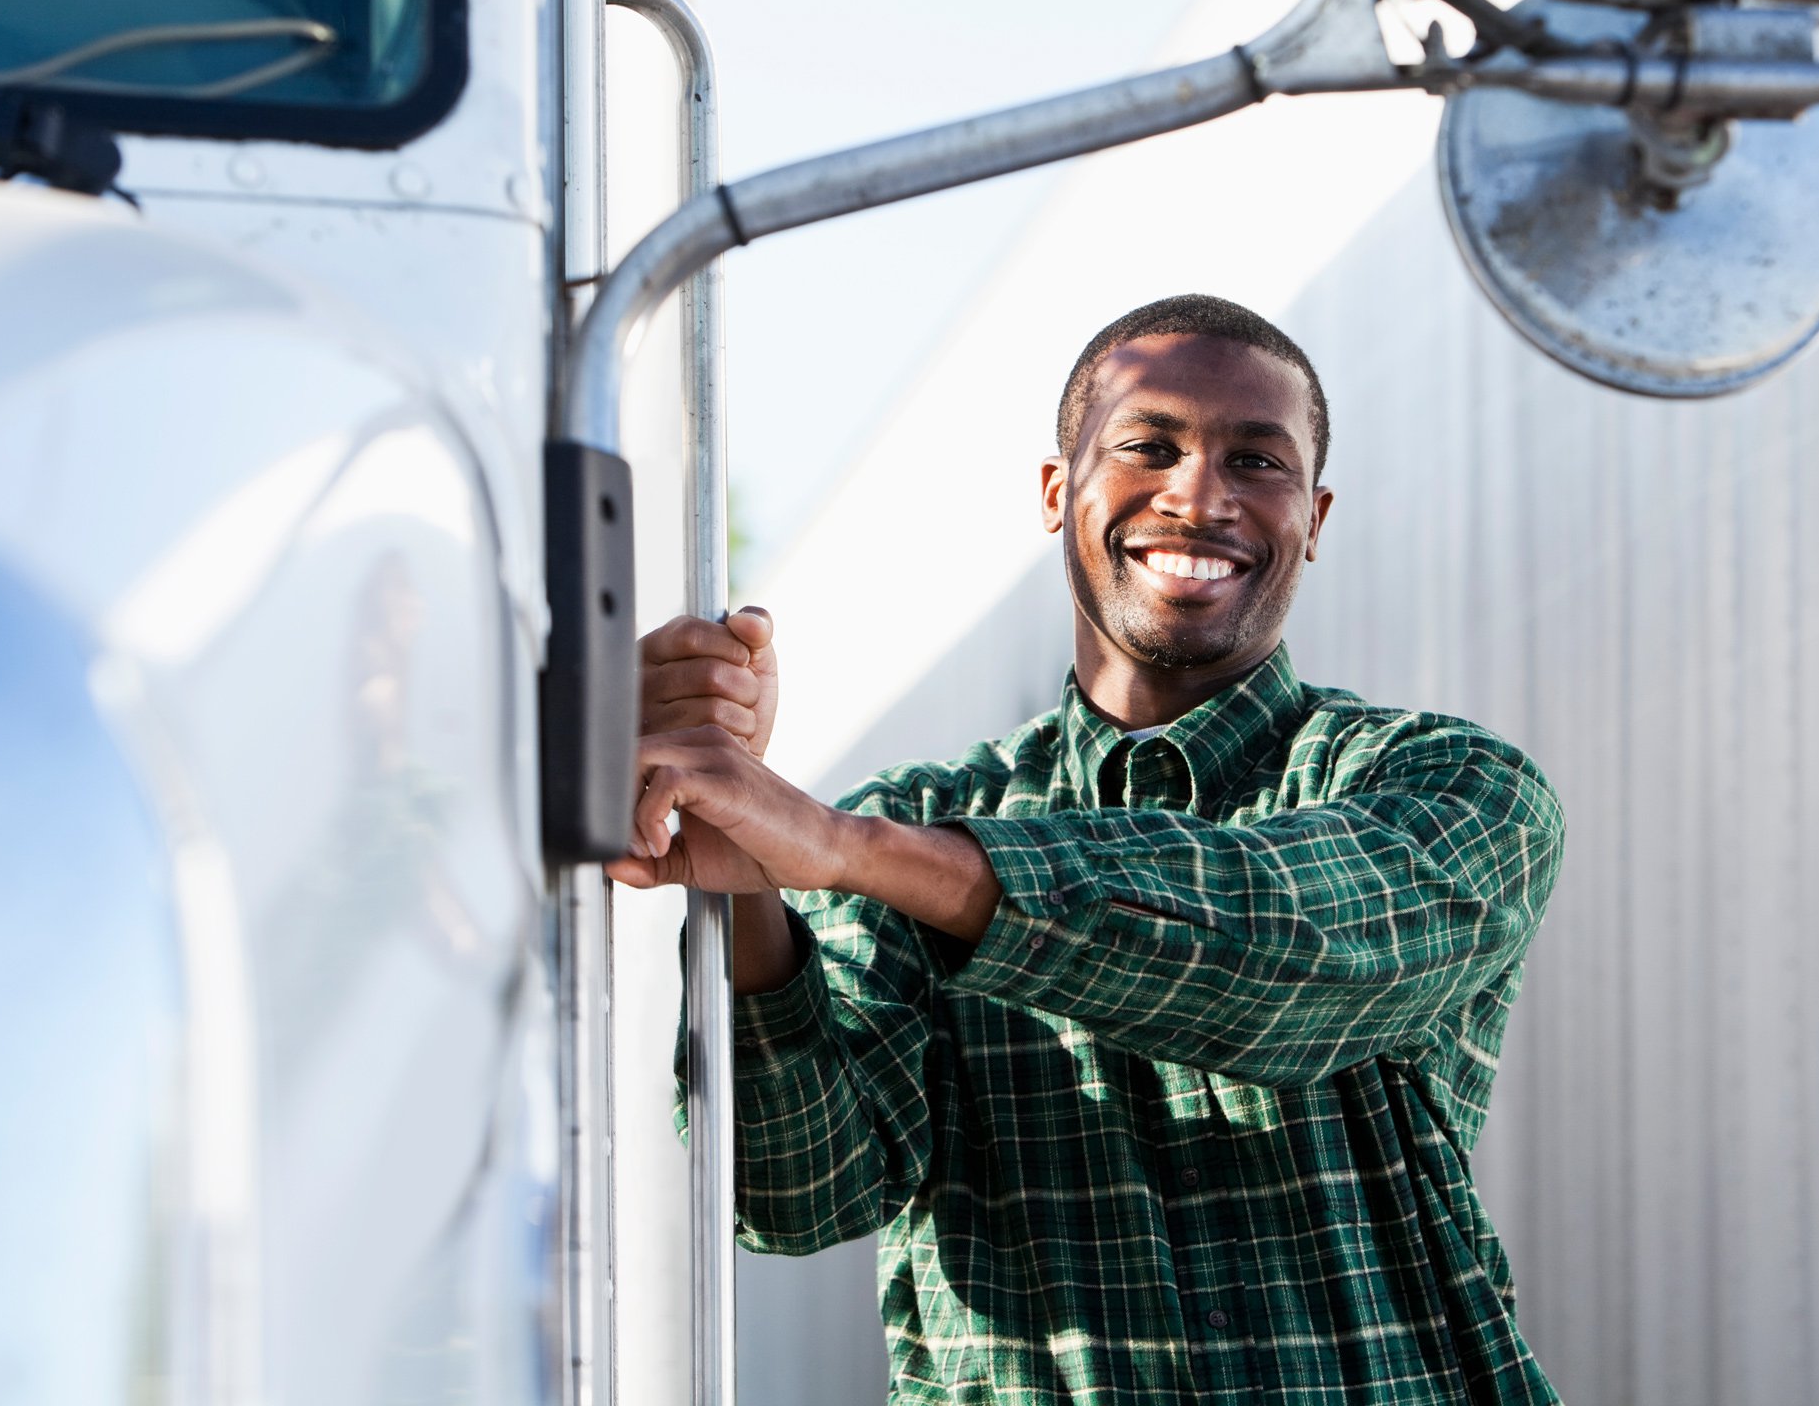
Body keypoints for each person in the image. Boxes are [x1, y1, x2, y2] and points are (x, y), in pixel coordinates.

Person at [616, 293, 1566, 1404]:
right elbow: (797, 1194)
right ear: (1059, 494)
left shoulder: (1452, 785)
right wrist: (753, 892)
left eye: (1255, 461)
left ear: (1315, 514)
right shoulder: (910, 821)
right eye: (1149, 445)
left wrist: (838, 845)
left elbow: (1291, 954)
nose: (1199, 494)